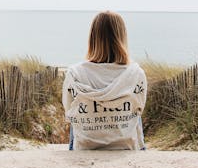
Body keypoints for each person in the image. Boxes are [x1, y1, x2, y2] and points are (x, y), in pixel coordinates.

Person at [62, 11, 147, 150]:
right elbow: (140, 107)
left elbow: (68, 110)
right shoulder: (136, 73)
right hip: (125, 146)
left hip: (85, 146)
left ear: (93, 37)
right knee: (135, 113)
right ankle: (135, 147)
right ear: (122, 37)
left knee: (75, 114)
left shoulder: (74, 73)